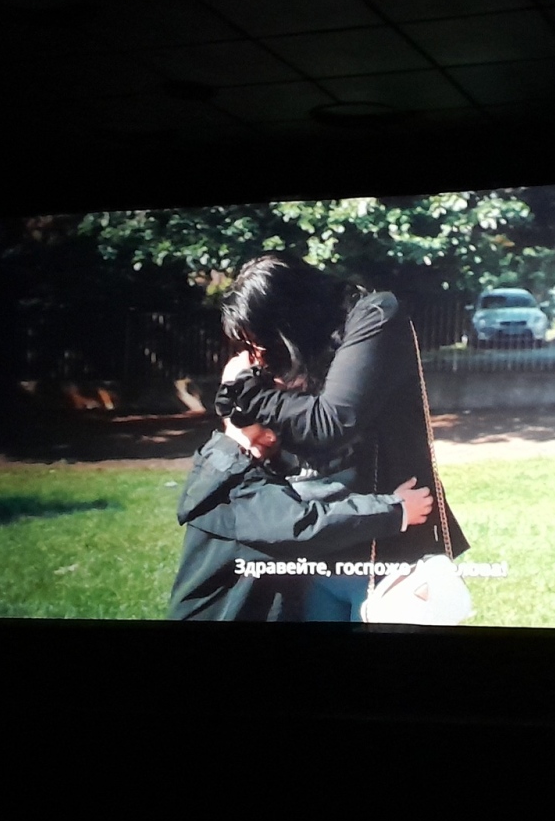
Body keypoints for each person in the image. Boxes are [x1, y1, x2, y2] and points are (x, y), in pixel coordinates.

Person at [214, 254, 468, 621]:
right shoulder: (289, 353)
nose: (260, 356)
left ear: (290, 319)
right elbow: (250, 433)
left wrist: (248, 392)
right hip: (313, 546)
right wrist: (240, 396)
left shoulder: (375, 316)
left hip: (389, 548)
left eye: (263, 342)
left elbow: (331, 422)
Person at [167, 407, 434, 621]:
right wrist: (396, 510)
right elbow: (307, 523)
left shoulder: (221, 464)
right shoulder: (238, 490)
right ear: (268, 436)